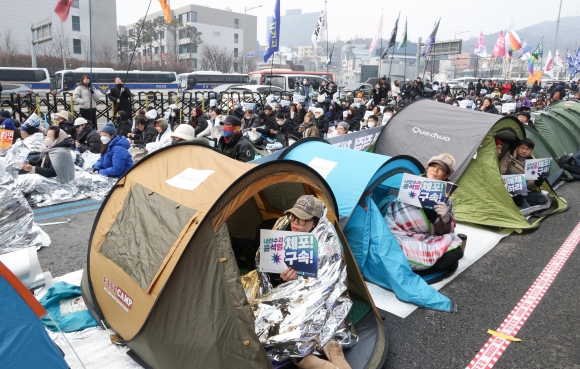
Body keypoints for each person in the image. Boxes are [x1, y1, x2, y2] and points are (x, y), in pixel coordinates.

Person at [385, 153, 464, 276]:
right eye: (433, 166)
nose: (435, 170)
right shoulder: (411, 184)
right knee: (391, 247)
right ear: (428, 167)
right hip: (400, 234)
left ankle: (412, 267)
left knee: (457, 252)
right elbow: (397, 211)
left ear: (446, 175)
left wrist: (446, 217)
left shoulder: (446, 197)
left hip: (424, 238)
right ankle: (421, 268)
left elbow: (442, 232)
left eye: (441, 169)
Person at [499, 138, 549, 209]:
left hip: (524, 191)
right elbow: (501, 173)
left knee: (543, 199)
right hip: (508, 189)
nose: (524, 151)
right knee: (511, 173)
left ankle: (517, 201)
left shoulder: (533, 162)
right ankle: (521, 201)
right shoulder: (509, 156)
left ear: (531, 151)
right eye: (522, 148)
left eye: (527, 149)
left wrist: (538, 182)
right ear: (517, 148)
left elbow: (529, 183)